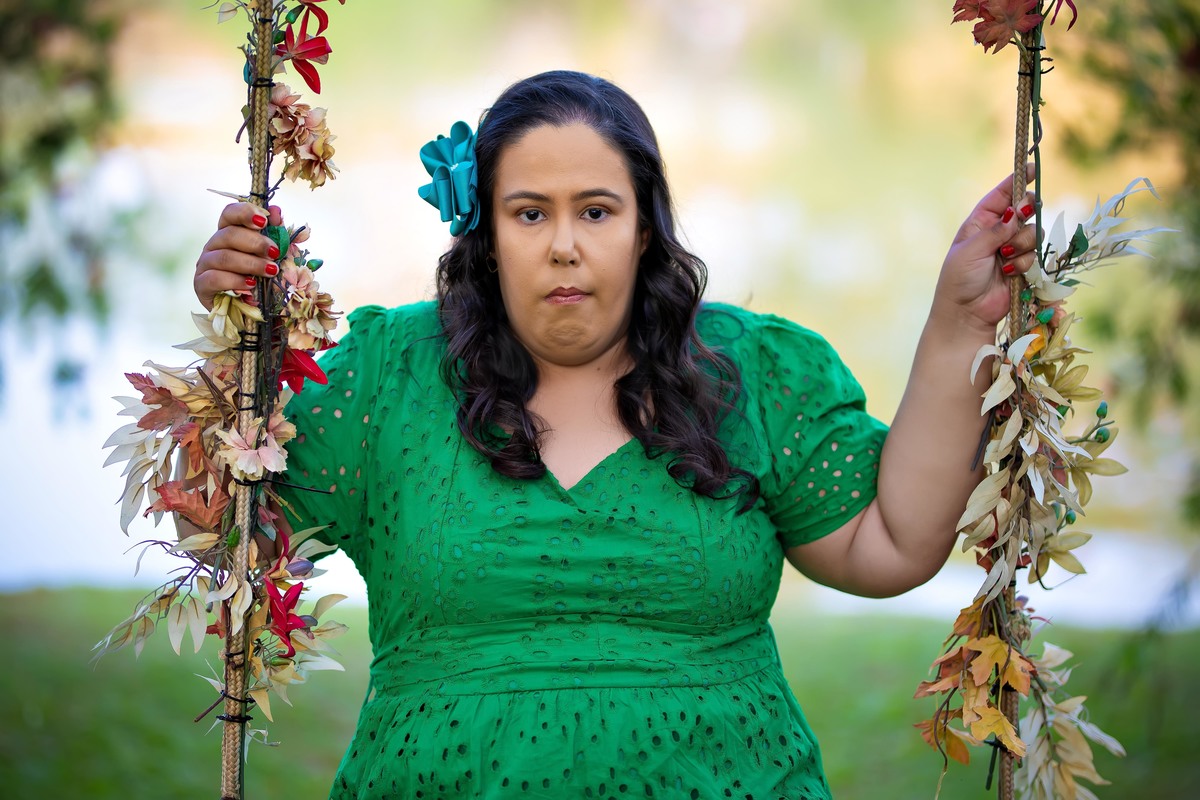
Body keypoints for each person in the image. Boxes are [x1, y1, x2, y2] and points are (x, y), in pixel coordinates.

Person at [194, 70, 1037, 800]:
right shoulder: (387, 377)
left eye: (596, 211)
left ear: (644, 227)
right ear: (486, 233)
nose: (564, 246)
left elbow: (890, 545)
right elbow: (225, 529)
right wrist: (237, 333)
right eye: (530, 213)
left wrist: (960, 321)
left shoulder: (751, 373)